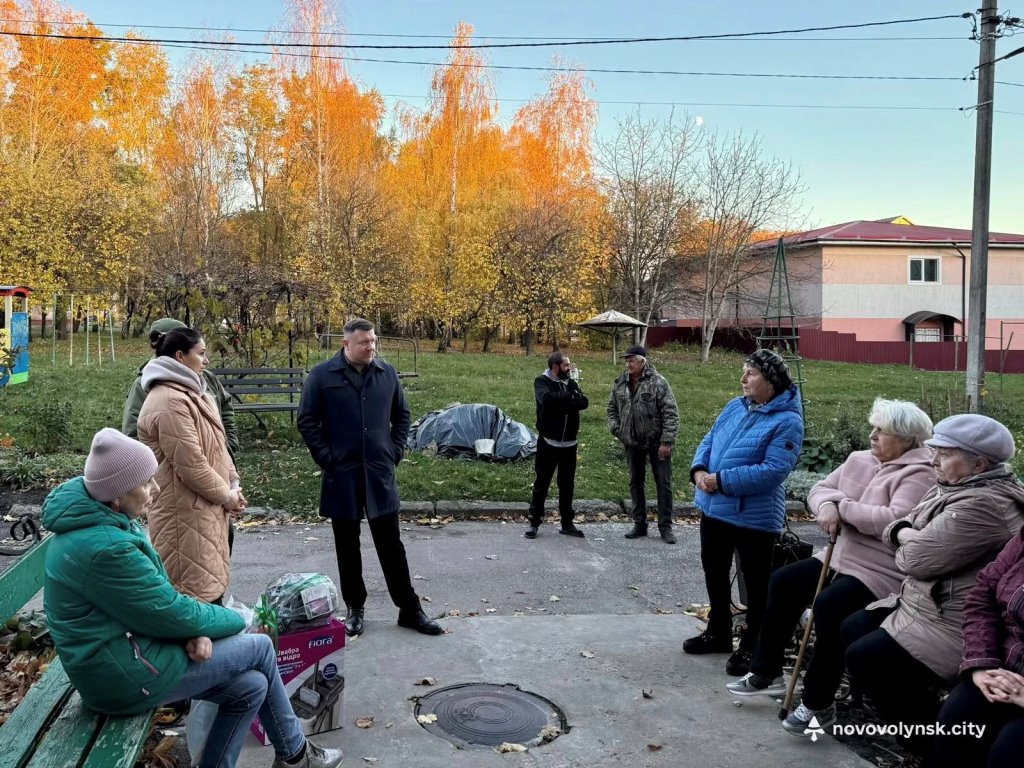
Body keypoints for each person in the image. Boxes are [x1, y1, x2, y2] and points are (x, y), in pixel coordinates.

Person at [42, 429, 343, 768]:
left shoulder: (101, 522)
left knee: (252, 686)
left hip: (124, 656)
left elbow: (149, 606)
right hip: (122, 678)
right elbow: (166, 611)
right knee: (259, 647)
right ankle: (297, 756)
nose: (155, 490)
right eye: (145, 484)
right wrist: (240, 621)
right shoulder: (105, 548)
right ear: (115, 497)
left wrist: (193, 630)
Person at [727, 398, 935, 736]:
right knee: (783, 582)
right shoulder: (859, 459)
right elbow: (821, 488)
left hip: (881, 569)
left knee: (831, 606)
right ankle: (767, 671)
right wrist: (826, 505)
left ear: (908, 440)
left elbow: (895, 519)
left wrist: (843, 507)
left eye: (882, 431)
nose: (872, 436)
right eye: (873, 428)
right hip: (839, 556)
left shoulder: (921, 474)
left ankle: (819, 703)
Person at [843, 414, 1024, 754]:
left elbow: (916, 560)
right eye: (934, 450)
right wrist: (904, 532)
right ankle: (920, 725)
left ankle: (923, 741)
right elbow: (899, 525)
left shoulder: (984, 504)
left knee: (866, 656)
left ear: (979, 463)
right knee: (853, 628)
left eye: (944, 453)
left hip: (950, 619)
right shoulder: (953, 485)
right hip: (923, 603)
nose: (933, 460)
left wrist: (904, 534)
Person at [298, 317, 441, 638]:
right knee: (347, 547)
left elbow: (401, 415)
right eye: (365, 342)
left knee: (391, 545)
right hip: (342, 475)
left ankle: (409, 608)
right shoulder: (322, 376)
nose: (371, 347)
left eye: (374, 341)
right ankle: (355, 607)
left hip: (379, 473)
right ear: (346, 344)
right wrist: (327, 458)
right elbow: (307, 421)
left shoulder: (386, 373)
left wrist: (394, 450)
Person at [684, 349, 804, 678]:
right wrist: (699, 470)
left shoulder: (788, 421)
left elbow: (774, 470)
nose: (743, 379)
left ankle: (752, 644)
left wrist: (720, 481)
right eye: (744, 372)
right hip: (715, 508)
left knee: (756, 584)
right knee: (714, 571)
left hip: (754, 518)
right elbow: (710, 439)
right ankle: (718, 631)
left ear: (772, 381)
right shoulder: (735, 406)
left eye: (750, 373)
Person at [137, 327, 245, 604]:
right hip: (182, 516)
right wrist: (226, 497)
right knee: (194, 596)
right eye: (201, 353)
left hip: (204, 509)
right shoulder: (169, 401)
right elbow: (192, 465)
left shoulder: (195, 394)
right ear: (180, 357)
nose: (206, 361)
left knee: (210, 590)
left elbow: (218, 448)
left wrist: (234, 485)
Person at [927, 531, 1024, 767]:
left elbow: (921, 556)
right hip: (1004, 664)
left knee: (1011, 749)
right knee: (958, 718)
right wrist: (981, 664)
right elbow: (983, 596)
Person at [123, 317, 238, 458]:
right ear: (178, 351)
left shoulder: (207, 378)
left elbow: (225, 408)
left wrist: (229, 445)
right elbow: (133, 435)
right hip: (177, 472)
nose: (206, 360)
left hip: (219, 465)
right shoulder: (145, 384)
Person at [607, 344, 680, 544]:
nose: (627, 364)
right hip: (631, 442)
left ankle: (665, 527)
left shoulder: (658, 382)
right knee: (635, 482)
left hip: (657, 442)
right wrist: (616, 428)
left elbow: (671, 413)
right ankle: (640, 524)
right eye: (626, 360)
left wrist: (666, 441)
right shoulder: (620, 383)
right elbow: (611, 408)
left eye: (631, 360)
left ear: (642, 361)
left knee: (663, 484)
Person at [525, 351, 589, 539]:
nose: (569, 368)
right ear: (555, 367)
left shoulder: (570, 382)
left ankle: (567, 524)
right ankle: (534, 523)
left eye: (569, 366)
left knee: (567, 485)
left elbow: (583, 402)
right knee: (542, 484)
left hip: (569, 443)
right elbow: (546, 400)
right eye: (566, 366)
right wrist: (568, 397)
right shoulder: (542, 382)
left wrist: (567, 398)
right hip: (548, 442)